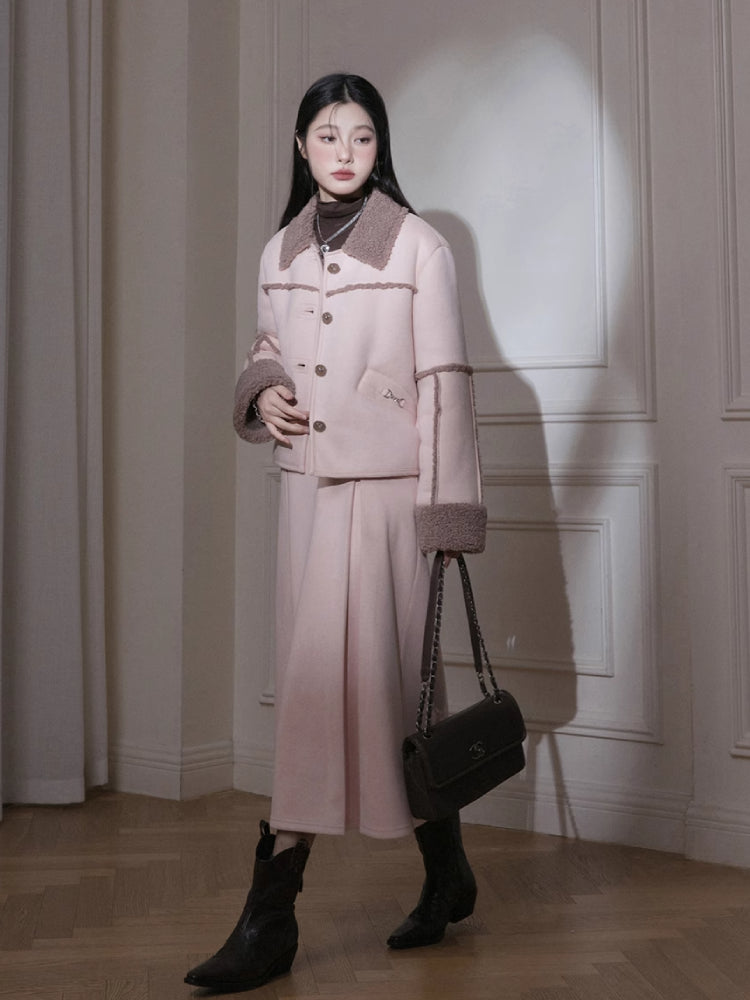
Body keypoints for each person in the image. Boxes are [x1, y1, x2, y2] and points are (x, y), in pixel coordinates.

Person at [185, 72, 486, 994]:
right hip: (309, 502)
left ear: (379, 145)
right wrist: (263, 389)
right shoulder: (278, 248)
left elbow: (444, 383)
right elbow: (267, 346)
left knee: (393, 698)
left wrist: (445, 520)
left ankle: (275, 919)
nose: (344, 151)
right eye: (326, 134)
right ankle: (438, 875)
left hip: (392, 506)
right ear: (301, 146)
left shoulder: (419, 246)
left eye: (360, 135)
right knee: (331, 693)